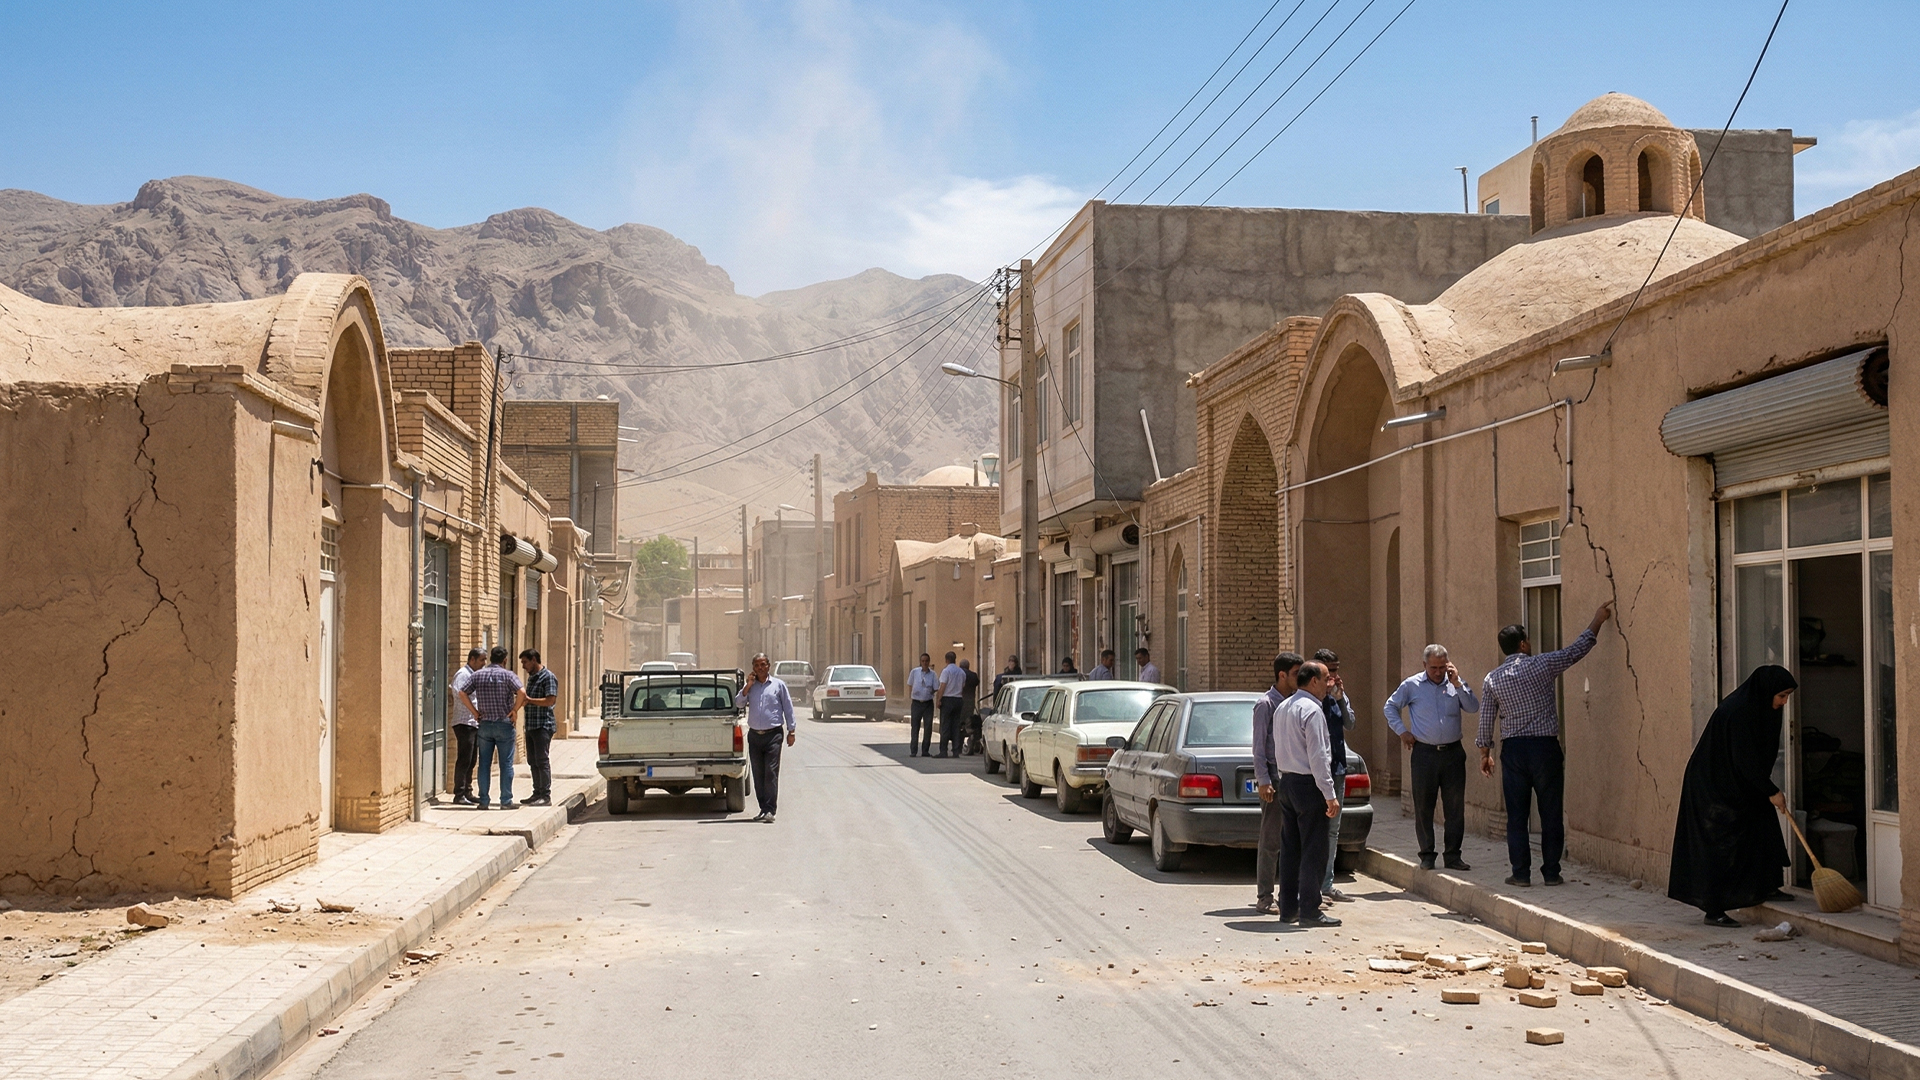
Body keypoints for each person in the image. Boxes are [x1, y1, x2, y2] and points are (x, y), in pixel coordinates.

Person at [1478, 601, 1614, 886]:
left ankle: (1520, 874)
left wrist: (1485, 753)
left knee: (1517, 814)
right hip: (1544, 748)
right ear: (1524, 644)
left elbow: (1486, 718)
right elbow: (1576, 651)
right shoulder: (1543, 664)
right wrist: (1597, 620)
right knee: (1550, 810)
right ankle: (1551, 872)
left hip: (1513, 751)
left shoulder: (1492, 679)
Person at [1669, 665, 1798, 926]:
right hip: (1711, 786)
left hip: (1737, 780)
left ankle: (1766, 885)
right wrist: (1771, 790)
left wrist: (1765, 789)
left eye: (1787, 697)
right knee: (1720, 843)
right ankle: (1714, 909)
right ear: (1767, 692)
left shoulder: (1759, 708)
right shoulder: (1739, 712)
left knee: (1761, 825)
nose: (1784, 702)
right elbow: (1745, 760)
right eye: (1782, 696)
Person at [1384, 644, 1481, 871]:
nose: (1438, 672)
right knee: (1424, 806)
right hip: (1424, 754)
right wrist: (1402, 731)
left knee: (1455, 807)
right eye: (1434, 667)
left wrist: (1457, 683)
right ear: (1424, 665)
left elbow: (1473, 707)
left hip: (1453, 754)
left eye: (1442, 667)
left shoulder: (1455, 684)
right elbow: (1390, 707)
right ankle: (1427, 854)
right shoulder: (1412, 685)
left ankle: (1453, 855)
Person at [1272, 661, 1342, 927]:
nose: (1329, 685)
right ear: (1312, 681)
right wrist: (1329, 793)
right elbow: (1319, 756)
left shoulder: (1283, 707)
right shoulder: (1311, 710)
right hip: (1308, 785)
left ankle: (1288, 908)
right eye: (1326, 679)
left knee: (1290, 850)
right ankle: (1311, 910)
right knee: (1314, 850)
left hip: (1287, 783)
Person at [1252, 652, 1305, 914]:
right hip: (1274, 778)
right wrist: (1263, 780)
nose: (1300, 678)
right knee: (1271, 840)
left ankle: (1292, 895)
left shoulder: (1298, 703)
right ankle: (1264, 896)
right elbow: (1259, 748)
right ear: (1282, 675)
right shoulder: (1266, 705)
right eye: (1296, 673)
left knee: (1293, 841)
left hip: (1294, 777)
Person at [458, 646, 525, 810]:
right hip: (504, 723)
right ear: (505, 660)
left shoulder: (478, 675)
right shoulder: (508, 675)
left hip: (485, 724)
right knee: (506, 764)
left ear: (490, 659)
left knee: (484, 764)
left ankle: (484, 800)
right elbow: (522, 692)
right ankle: (506, 800)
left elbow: (462, 693)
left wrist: (475, 712)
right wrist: (515, 710)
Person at [1314, 649, 1356, 903]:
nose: (1333, 676)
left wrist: (1339, 698)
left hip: (1337, 769)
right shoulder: (1309, 697)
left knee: (1332, 830)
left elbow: (1350, 723)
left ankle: (1327, 884)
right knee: (1311, 829)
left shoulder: (1338, 695)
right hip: (1313, 772)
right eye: (1328, 671)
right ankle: (1307, 885)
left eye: (1336, 670)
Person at [740, 653, 796, 822]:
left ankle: (771, 810)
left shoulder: (778, 685)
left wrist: (791, 730)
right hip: (755, 736)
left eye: (763, 664)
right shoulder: (750, 686)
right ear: (753, 668)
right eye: (757, 665)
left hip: (773, 735)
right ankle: (763, 808)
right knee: (758, 773)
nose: (760, 668)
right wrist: (748, 686)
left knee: (770, 773)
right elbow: (739, 703)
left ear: (769, 666)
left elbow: (788, 707)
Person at [518, 649, 559, 807]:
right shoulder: (532, 678)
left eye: (525, 662)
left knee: (542, 761)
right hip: (531, 725)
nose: (523, 666)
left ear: (534, 659)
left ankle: (545, 796)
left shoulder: (547, 677)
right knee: (532, 761)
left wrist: (530, 700)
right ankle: (537, 793)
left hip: (543, 725)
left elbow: (550, 700)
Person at [450, 648, 485, 805]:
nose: (484, 664)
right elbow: (460, 694)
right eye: (482, 660)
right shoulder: (463, 674)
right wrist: (475, 712)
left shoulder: (473, 674)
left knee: (471, 760)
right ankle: (459, 794)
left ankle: (468, 791)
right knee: (464, 759)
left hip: (473, 722)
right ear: (472, 659)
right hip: (464, 722)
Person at [936, 651, 967, 757]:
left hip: (947, 699)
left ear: (946, 660)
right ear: (955, 659)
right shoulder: (961, 672)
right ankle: (955, 751)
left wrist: (939, 699)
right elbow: (963, 686)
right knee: (955, 726)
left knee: (945, 726)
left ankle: (943, 751)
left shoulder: (946, 671)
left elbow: (943, 686)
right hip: (958, 700)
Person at [908, 653, 939, 757]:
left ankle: (925, 750)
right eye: (923, 661)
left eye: (926, 661)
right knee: (915, 726)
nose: (925, 663)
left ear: (929, 662)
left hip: (928, 704)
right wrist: (912, 696)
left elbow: (936, 687)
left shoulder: (933, 674)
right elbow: (910, 684)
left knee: (928, 727)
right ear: (920, 662)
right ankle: (913, 750)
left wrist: (929, 690)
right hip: (916, 703)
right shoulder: (914, 672)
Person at [960, 659, 982, 754]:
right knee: (970, 723)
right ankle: (971, 741)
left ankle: (959, 745)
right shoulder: (973, 676)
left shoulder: (959, 674)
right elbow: (977, 682)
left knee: (960, 725)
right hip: (970, 703)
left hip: (960, 702)